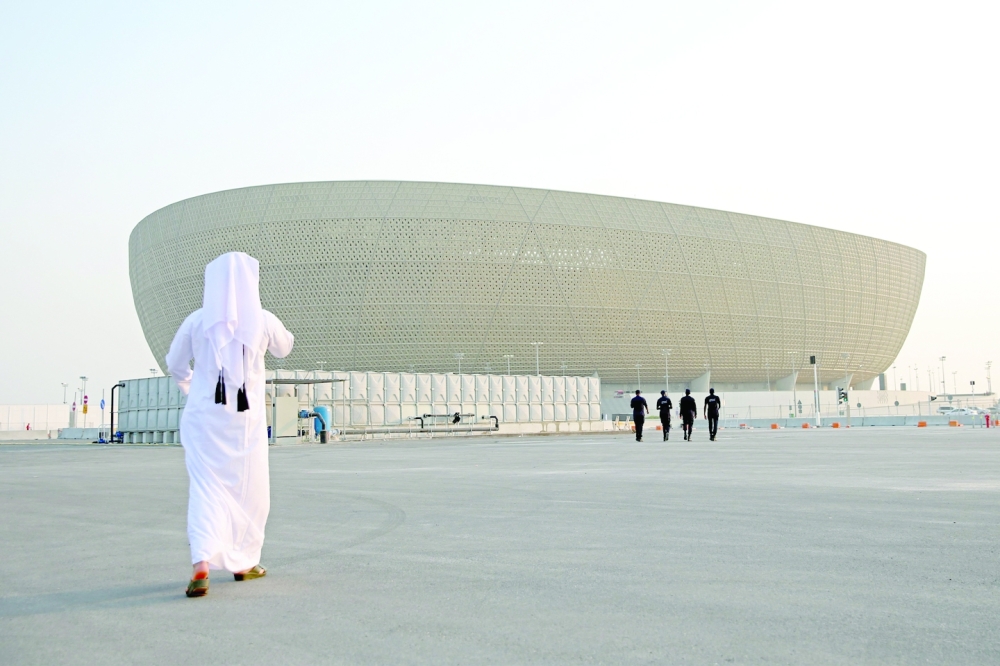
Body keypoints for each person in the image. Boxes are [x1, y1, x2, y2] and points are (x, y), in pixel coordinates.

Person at [166, 252, 295, 598]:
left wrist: (192, 388)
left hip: (204, 422)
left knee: (206, 490)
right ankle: (243, 563)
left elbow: (175, 363)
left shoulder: (196, 322)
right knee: (250, 491)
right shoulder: (264, 321)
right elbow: (285, 348)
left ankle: (201, 566)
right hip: (245, 425)